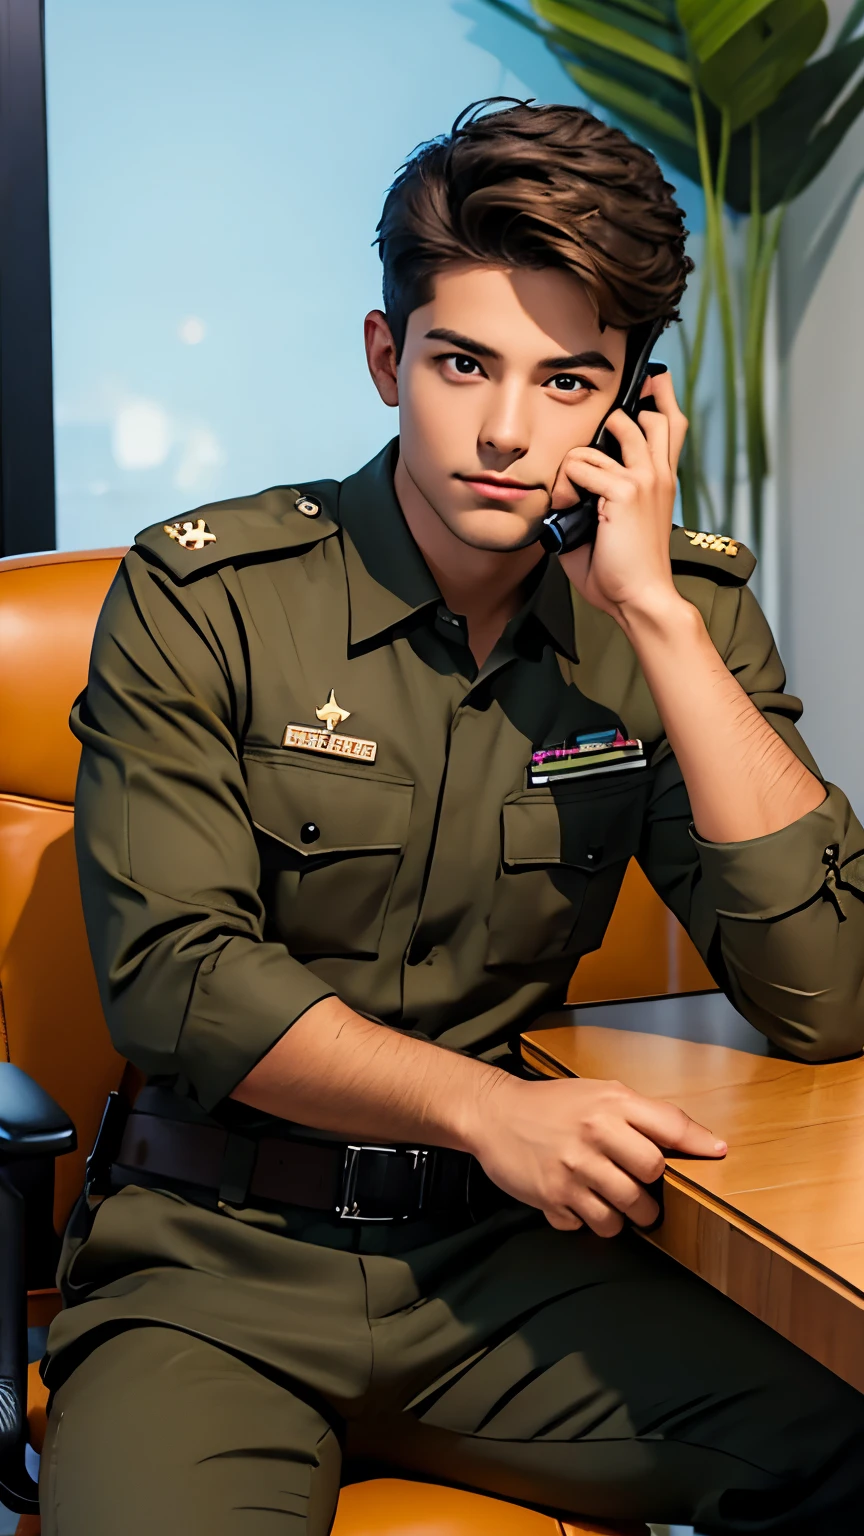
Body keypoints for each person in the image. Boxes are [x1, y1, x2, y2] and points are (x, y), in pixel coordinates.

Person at [41, 101, 864, 1535]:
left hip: (516, 1269)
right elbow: (175, 979)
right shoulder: (206, 598)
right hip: (216, 1270)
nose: (503, 430)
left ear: (633, 408)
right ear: (386, 357)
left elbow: (825, 994)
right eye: (463, 363)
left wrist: (663, 623)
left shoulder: (674, 616)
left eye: (568, 382)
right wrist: (489, 1109)